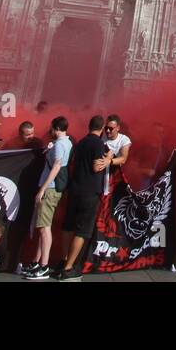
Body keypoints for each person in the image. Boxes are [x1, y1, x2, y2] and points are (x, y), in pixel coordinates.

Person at [57, 115, 109, 281]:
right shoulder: (98, 143)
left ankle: (63, 260)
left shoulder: (80, 142)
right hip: (89, 193)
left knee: (68, 226)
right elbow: (96, 166)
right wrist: (108, 159)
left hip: (75, 189)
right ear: (102, 129)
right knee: (82, 230)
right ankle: (68, 268)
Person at [22, 116, 71, 280]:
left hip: (50, 189)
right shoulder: (66, 143)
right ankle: (37, 262)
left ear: (56, 128)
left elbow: (57, 166)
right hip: (53, 189)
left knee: (44, 228)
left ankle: (43, 265)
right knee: (43, 225)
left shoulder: (59, 144)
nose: (50, 131)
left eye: (52, 128)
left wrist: (42, 189)